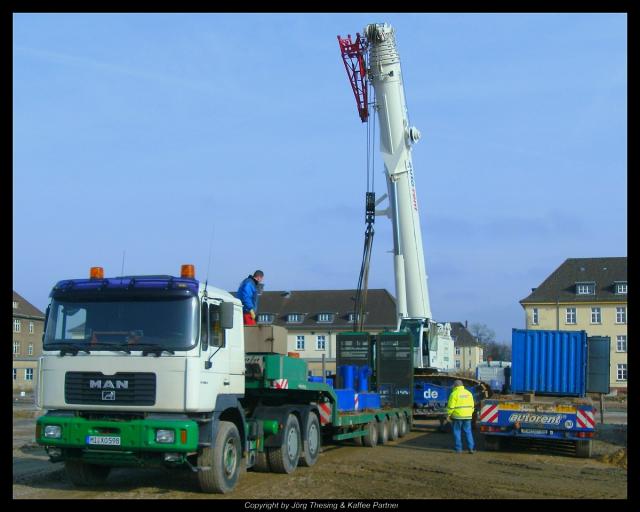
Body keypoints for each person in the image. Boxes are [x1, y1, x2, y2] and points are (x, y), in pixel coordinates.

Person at [446, 379, 475, 454]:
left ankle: (458, 449)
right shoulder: (469, 393)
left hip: (457, 416)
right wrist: (469, 413)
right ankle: (471, 448)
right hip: (468, 416)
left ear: (455, 386)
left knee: (457, 431)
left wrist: (448, 415)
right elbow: (472, 406)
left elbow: (451, 407)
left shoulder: (454, 394)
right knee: (468, 431)